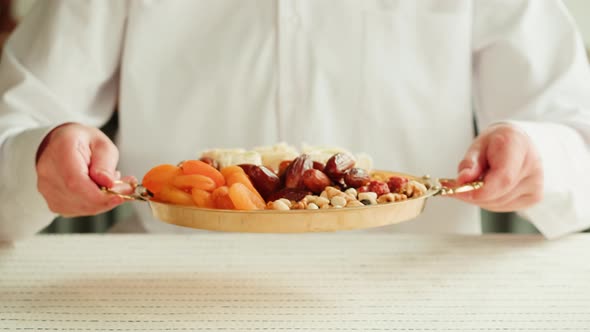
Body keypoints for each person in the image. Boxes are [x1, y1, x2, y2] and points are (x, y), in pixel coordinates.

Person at [0, 0, 589, 241]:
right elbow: (16, 121)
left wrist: (541, 159)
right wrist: (41, 153)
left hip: (418, 303)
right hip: (166, 301)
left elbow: (577, 145)